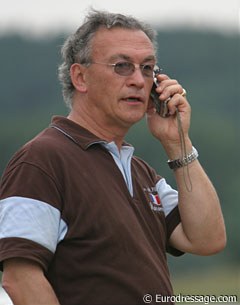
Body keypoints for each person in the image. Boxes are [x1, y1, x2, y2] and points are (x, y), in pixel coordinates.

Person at [0, 9, 226, 305]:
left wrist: (178, 143)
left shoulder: (138, 171)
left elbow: (207, 239)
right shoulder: (42, 160)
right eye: (122, 66)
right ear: (80, 77)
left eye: (147, 68)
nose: (138, 80)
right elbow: (19, 279)